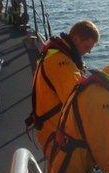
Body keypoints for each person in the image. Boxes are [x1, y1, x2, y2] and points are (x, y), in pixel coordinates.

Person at [27, 20, 100, 160]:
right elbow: (76, 100)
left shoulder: (56, 54)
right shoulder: (62, 63)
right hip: (56, 133)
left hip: (50, 127)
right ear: (76, 39)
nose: (89, 51)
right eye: (87, 46)